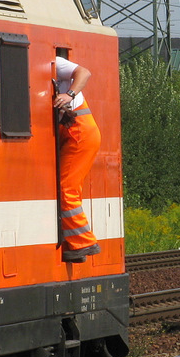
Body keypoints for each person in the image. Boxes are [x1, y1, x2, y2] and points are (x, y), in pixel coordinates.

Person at [54, 57, 102, 263]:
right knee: (69, 188)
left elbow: (84, 72)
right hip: (77, 134)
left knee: (66, 189)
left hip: (79, 134)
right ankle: (76, 244)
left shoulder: (55, 62)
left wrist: (69, 95)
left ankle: (83, 243)